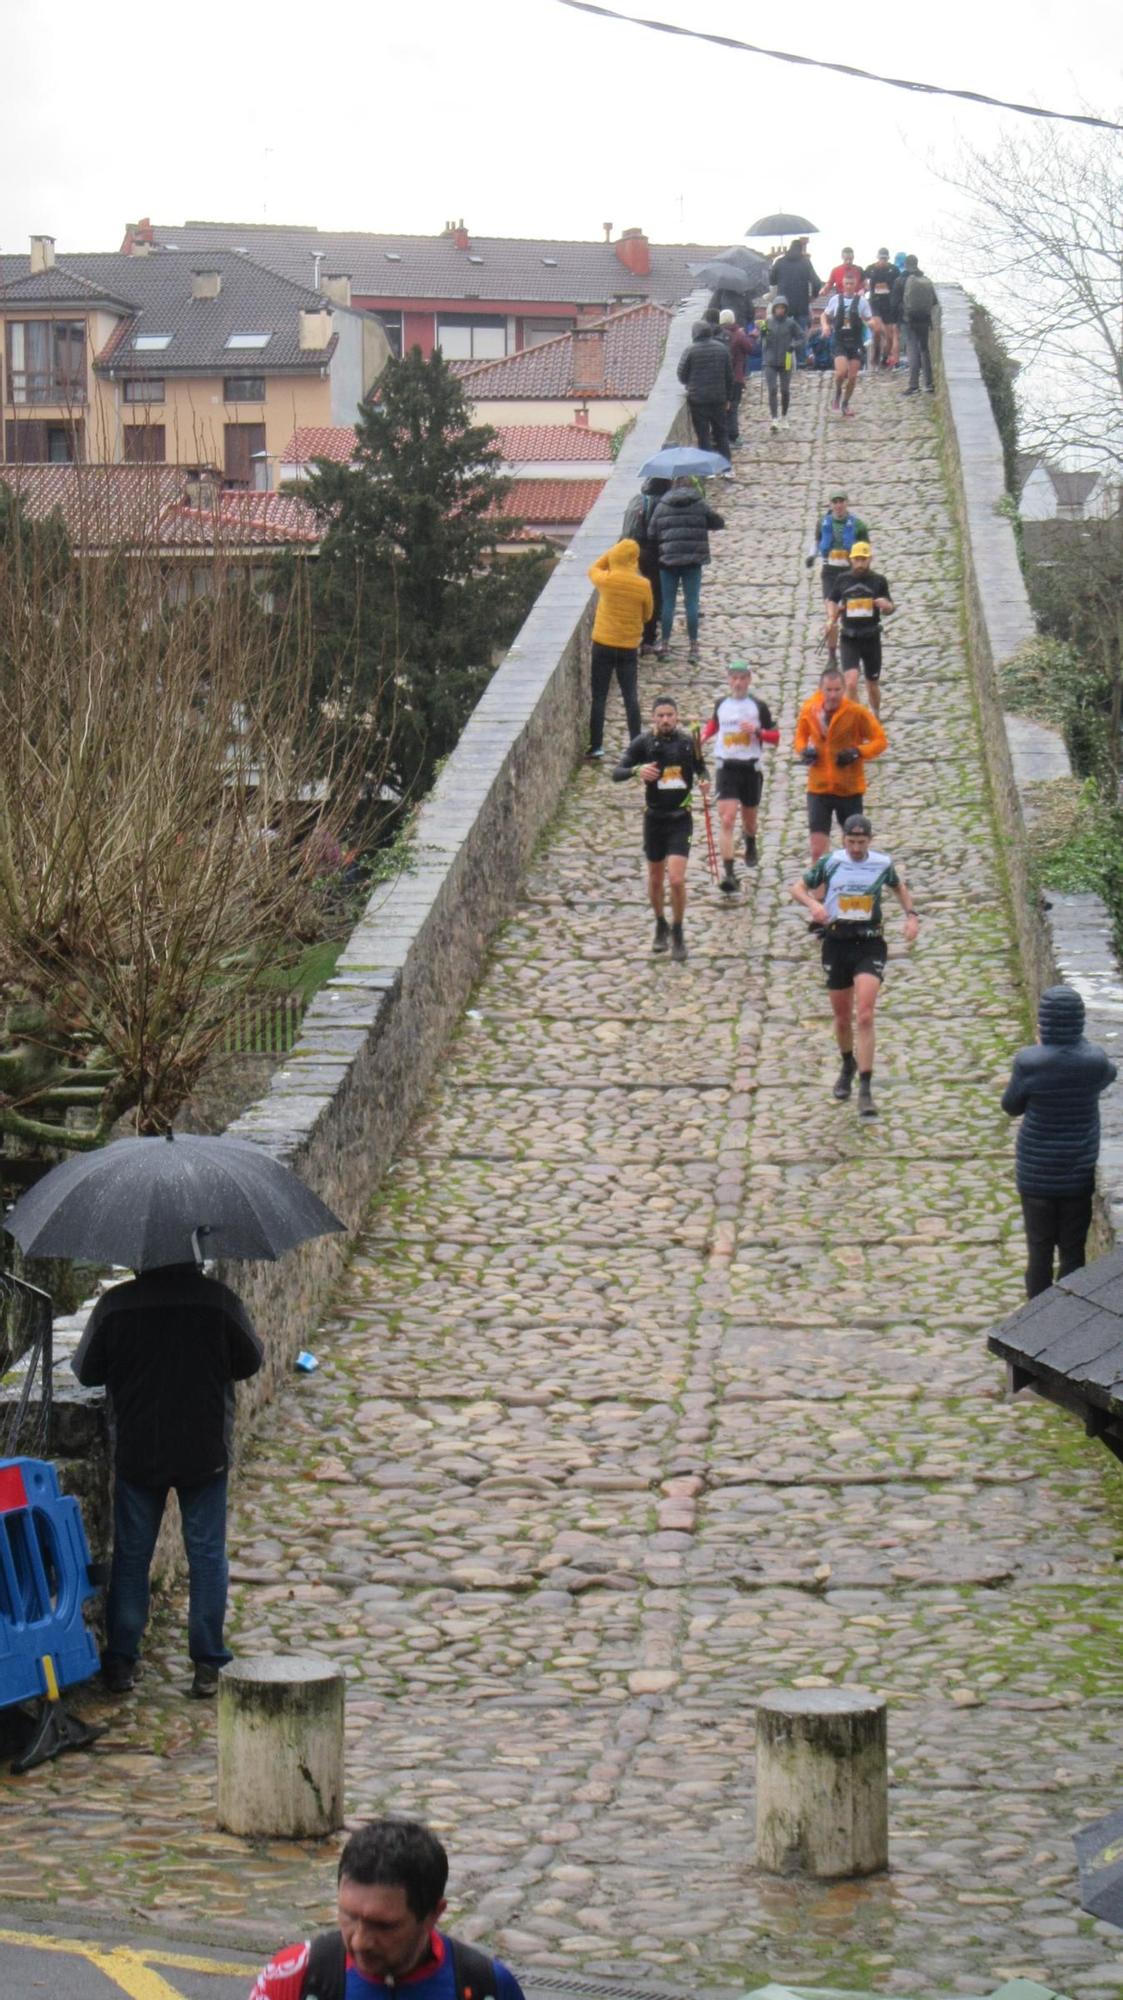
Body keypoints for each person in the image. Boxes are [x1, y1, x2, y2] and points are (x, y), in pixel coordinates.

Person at [72, 1260, 263, 1698]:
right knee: (207, 1556)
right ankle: (208, 1663)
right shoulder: (219, 1301)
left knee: (133, 1558)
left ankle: (121, 1660)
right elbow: (249, 1360)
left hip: (140, 1450)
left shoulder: (114, 1306)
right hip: (204, 1448)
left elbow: (87, 1371)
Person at [247, 1818, 528, 2000]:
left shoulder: (487, 1988)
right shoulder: (295, 1977)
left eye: (383, 1925)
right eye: (349, 1915)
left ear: (434, 1914)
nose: (359, 1941)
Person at [790, 812, 918, 1120]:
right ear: (843, 840)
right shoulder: (832, 862)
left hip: (870, 942)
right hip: (836, 942)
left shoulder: (881, 864)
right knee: (842, 1016)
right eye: (851, 842)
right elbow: (797, 887)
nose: (857, 848)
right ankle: (847, 1064)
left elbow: (898, 887)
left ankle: (865, 1086)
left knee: (865, 1013)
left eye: (861, 842)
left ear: (870, 841)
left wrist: (911, 916)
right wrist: (814, 905)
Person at [1001, 985, 1116, 1298]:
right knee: (1072, 1251)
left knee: (1038, 1251)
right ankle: (1066, 1319)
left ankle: (1033, 1319)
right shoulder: (1093, 1061)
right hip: (1077, 1173)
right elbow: (1109, 1074)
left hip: (1036, 1174)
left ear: (1045, 1022)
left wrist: (1042, 1047)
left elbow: (1011, 1105)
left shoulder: (1029, 1062)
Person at [613, 694, 708, 962]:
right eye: (660, 716)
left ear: (676, 717)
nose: (665, 720)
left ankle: (678, 930)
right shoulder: (643, 743)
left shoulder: (689, 742)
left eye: (670, 715)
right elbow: (617, 772)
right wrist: (637, 771)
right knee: (655, 878)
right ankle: (660, 922)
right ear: (653, 718)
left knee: (676, 879)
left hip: (680, 818)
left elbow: (702, 769)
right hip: (654, 818)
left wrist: (704, 782)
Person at [793, 664, 887, 860]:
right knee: (817, 850)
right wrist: (804, 751)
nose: (833, 695)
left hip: (849, 790)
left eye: (837, 690)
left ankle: (853, 885)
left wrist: (857, 752)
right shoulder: (810, 710)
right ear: (821, 690)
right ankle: (821, 889)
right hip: (818, 789)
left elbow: (880, 741)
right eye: (829, 690)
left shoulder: (856, 713)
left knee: (853, 850)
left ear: (844, 690)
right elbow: (800, 738)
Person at [700, 661, 779, 891]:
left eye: (742, 678)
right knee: (727, 819)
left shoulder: (758, 707)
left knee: (750, 820)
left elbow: (775, 737)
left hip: (750, 768)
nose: (738, 683)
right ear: (728, 679)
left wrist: (756, 731)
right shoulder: (721, 705)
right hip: (726, 768)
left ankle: (751, 841)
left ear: (749, 680)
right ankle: (730, 874)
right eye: (734, 678)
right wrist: (701, 738)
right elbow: (713, 726)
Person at [585, 537, 652, 758]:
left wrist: (611, 555)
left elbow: (593, 568)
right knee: (630, 696)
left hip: (603, 643)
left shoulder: (607, 579)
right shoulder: (643, 585)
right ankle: (636, 744)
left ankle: (596, 746)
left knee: (599, 696)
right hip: (627, 647)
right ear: (635, 559)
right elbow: (648, 614)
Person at [647, 475, 724, 664]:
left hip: (668, 561)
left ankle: (664, 645)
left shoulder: (662, 505)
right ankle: (693, 647)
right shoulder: (699, 503)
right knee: (692, 603)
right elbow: (717, 522)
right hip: (693, 561)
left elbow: (651, 532)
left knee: (668, 604)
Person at [825, 541, 895, 718]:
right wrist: (831, 617)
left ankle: (876, 715)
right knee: (850, 683)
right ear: (851, 559)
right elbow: (832, 599)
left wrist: (885, 605)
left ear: (870, 559)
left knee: (872, 684)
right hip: (849, 637)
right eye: (857, 559)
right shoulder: (843, 579)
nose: (861, 564)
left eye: (864, 560)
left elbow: (890, 607)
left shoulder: (878, 581)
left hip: (871, 637)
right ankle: (858, 719)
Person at [807, 491, 871, 662]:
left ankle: (855, 651)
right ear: (830, 504)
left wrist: (865, 572)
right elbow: (816, 541)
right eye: (835, 502)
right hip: (830, 572)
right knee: (832, 616)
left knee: (853, 614)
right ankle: (831, 655)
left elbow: (866, 550)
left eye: (841, 501)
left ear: (846, 503)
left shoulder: (858, 526)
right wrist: (811, 556)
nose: (838, 505)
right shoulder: (823, 523)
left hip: (850, 573)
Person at [621, 476, 668, 655]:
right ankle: (648, 638)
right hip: (651, 554)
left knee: (633, 595)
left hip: (632, 551)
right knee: (653, 595)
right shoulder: (660, 503)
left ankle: (632, 633)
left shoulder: (636, 500)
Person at [676, 319, 734, 460]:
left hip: (698, 400)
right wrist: (728, 398)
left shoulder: (690, 350)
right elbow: (729, 376)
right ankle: (726, 467)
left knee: (703, 435)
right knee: (721, 433)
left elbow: (681, 374)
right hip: (718, 399)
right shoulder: (722, 349)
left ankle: (707, 469)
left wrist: (690, 383)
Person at [821, 273, 874, 415]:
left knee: (852, 376)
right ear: (843, 285)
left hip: (855, 341)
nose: (849, 287)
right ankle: (837, 393)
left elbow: (869, 319)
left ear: (855, 285)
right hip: (839, 340)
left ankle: (845, 403)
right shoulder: (835, 300)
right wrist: (825, 326)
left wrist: (870, 324)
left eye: (852, 284)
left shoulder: (862, 302)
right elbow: (824, 315)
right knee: (841, 372)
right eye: (847, 284)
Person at [759, 296, 806, 431]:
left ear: (786, 309)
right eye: (778, 307)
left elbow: (802, 337)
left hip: (786, 358)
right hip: (770, 360)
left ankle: (784, 416)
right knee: (772, 389)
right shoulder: (766, 322)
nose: (780, 310)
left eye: (782, 308)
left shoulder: (791, 323)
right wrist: (762, 335)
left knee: (785, 390)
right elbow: (760, 342)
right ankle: (774, 419)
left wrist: (793, 345)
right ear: (774, 309)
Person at [769, 238, 822, 346]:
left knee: (782, 336)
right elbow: (817, 282)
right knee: (801, 336)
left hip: (783, 305)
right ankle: (801, 361)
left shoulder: (780, 262)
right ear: (801, 249)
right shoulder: (805, 263)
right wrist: (813, 296)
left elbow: (772, 280)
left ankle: (783, 359)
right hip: (801, 305)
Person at [719, 307, 757, 445]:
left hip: (719, 378)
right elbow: (750, 348)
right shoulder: (738, 334)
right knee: (733, 406)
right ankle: (733, 436)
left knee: (721, 406)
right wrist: (752, 336)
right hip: (736, 376)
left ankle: (720, 435)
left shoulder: (717, 335)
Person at [900, 256, 937, 395]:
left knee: (912, 350)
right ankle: (929, 384)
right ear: (917, 264)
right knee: (924, 350)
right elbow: (934, 301)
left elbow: (895, 301)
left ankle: (913, 385)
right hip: (925, 319)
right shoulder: (926, 281)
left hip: (909, 320)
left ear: (905, 265)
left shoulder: (902, 280)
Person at [864, 248, 899, 367]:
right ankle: (875, 354)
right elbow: (863, 281)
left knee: (889, 336)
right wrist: (866, 288)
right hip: (875, 302)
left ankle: (885, 358)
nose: (882, 261)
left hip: (888, 304)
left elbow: (898, 286)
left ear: (888, 259)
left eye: (885, 259)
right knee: (877, 329)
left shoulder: (893, 270)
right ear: (877, 258)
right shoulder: (871, 269)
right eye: (881, 259)